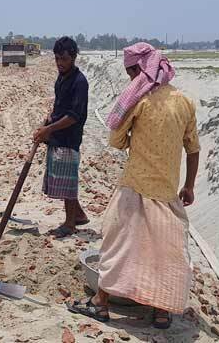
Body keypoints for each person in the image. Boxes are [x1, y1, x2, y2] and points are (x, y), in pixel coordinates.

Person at [70, 42, 200, 330]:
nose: (131, 79)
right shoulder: (184, 102)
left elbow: (116, 140)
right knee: (164, 251)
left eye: (130, 72)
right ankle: (161, 311)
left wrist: (132, 139)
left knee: (118, 244)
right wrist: (189, 186)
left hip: (136, 186)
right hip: (167, 192)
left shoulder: (139, 100)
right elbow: (193, 148)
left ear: (139, 69)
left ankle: (101, 302)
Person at [32, 36, 89, 238]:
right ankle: (79, 214)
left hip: (69, 137)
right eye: (57, 59)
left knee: (68, 181)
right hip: (57, 134)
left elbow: (74, 115)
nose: (60, 63)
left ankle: (70, 223)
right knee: (64, 180)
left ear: (73, 57)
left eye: (63, 59)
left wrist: (49, 129)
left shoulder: (80, 82)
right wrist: (48, 121)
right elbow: (60, 105)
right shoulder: (61, 77)